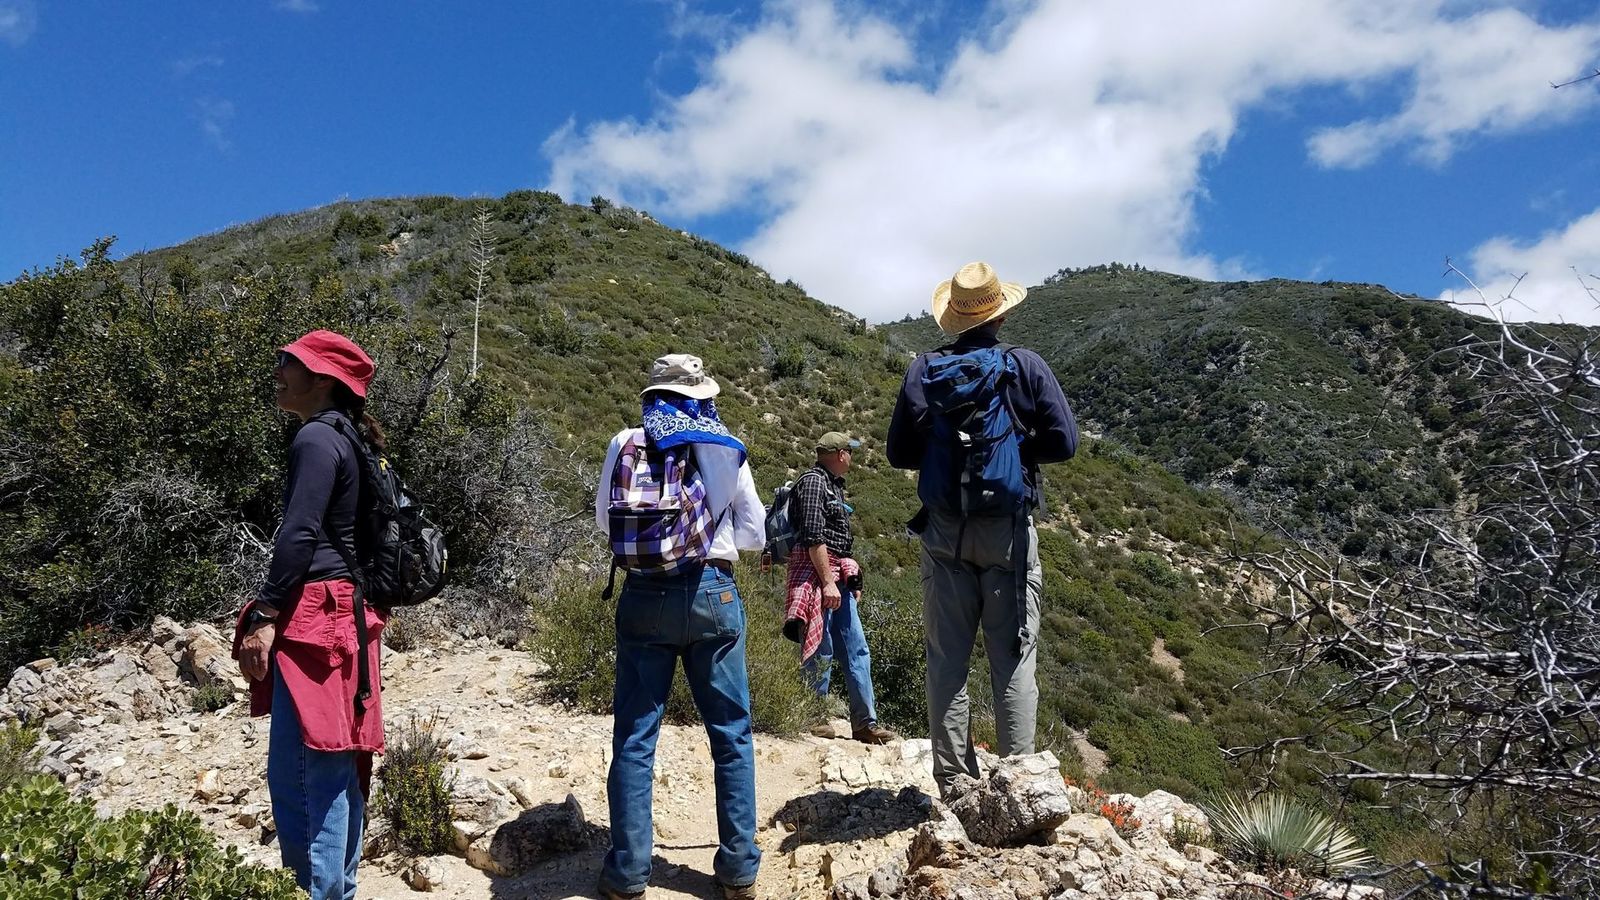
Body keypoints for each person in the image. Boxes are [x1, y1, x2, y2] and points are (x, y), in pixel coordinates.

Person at [886, 262, 1078, 797]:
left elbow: (898, 452)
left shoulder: (925, 369)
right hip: (1007, 533)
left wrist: (945, 454)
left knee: (947, 660)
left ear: (953, 316)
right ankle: (1019, 784)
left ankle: (953, 783)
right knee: (1012, 659)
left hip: (944, 533)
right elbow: (1065, 442)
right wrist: (1014, 451)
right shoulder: (1025, 366)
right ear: (1000, 314)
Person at [594, 354, 766, 900]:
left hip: (644, 596)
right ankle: (738, 870)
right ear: (702, 397)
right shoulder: (725, 447)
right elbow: (755, 533)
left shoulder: (625, 442)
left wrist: (661, 543)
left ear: (653, 395)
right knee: (731, 735)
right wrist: (709, 534)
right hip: (712, 592)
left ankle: (628, 873)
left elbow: (606, 520)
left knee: (635, 736)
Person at [232, 330, 388, 899]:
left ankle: (316, 892)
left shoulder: (317, 437)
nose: (278, 372)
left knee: (304, 771)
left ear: (322, 379)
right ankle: (338, 889)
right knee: (337, 763)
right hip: (348, 615)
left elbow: (298, 532)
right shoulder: (350, 437)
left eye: (288, 362)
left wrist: (266, 613)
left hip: (316, 619)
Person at [783, 431, 897, 744]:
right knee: (820, 645)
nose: (852, 457)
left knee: (856, 648)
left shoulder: (833, 485)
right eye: (850, 451)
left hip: (836, 577)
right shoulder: (813, 482)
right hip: (818, 575)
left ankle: (865, 724)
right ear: (840, 454)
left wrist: (850, 578)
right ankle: (814, 717)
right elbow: (813, 536)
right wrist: (828, 582)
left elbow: (839, 543)